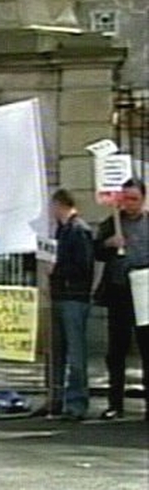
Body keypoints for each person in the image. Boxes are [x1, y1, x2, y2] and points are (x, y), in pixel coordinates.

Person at [94, 178, 149, 421]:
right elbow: (95, 251)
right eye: (125, 199)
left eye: (134, 199)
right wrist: (109, 243)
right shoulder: (112, 224)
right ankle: (115, 404)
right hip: (119, 292)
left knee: (147, 349)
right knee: (116, 350)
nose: (129, 204)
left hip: (145, 292)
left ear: (144, 199)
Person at [46, 189, 95, 421]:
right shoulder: (62, 230)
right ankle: (56, 399)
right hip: (61, 295)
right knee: (57, 351)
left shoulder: (79, 230)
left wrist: (58, 270)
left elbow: (84, 266)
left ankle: (76, 403)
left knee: (75, 352)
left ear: (60, 205)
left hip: (74, 297)